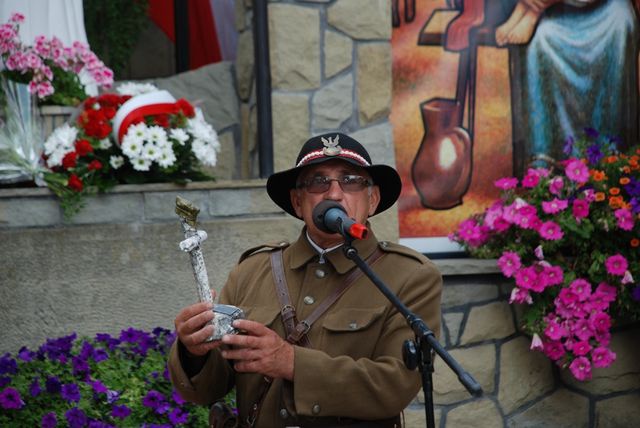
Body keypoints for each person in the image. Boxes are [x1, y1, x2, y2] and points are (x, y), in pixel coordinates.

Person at [168, 132, 443, 427]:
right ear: (298, 202)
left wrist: (292, 363)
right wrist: (193, 351)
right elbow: (207, 389)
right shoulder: (251, 270)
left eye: (350, 180)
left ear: (372, 199)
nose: (334, 194)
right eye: (318, 181)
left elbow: (395, 386)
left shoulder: (410, 275)